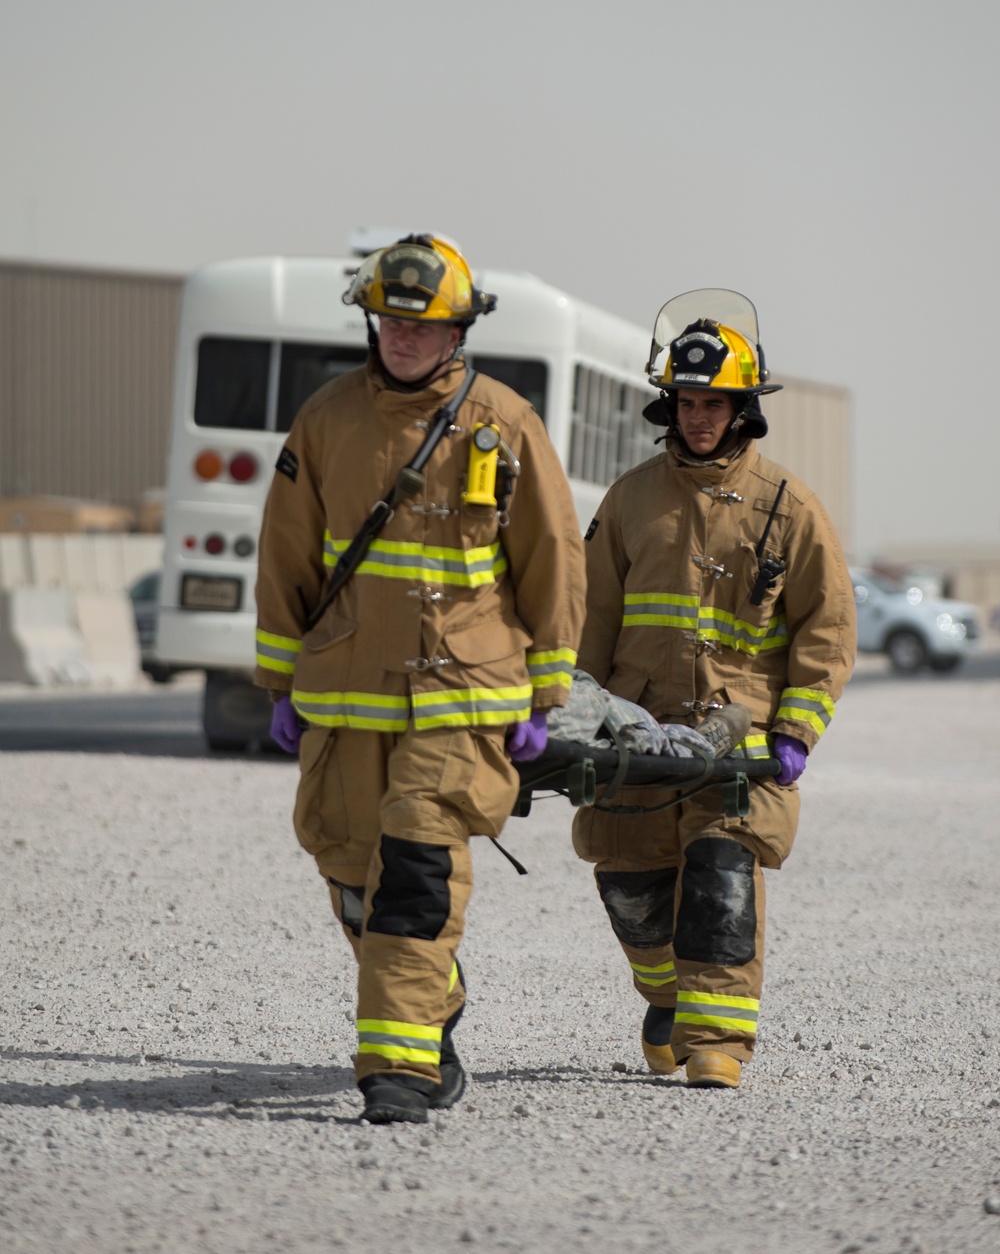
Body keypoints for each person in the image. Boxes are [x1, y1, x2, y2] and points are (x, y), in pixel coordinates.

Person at [254, 234, 586, 1124]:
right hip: (343, 695)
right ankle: (428, 1005)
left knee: (417, 867)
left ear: (458, 331)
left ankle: (397, 1071)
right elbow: (285, 555)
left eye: (423, 327)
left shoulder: (505, 422)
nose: (402, 341)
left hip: (462, 695)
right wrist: (279, 683)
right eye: (388, 324)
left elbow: (552, 559)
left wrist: (545, 692)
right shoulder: (324, 420)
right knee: (354, 879)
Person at [572, 289, 855, 1088]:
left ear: (743, 408)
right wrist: (568, 711)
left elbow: (828, 630)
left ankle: (716, 1045)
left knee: (722, 879)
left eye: (716, 404)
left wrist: (796, 730)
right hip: (638, 735)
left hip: (744, 741)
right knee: (630, 888)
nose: (699, 419)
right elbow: (589, 617)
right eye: (688, 402)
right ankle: (666, 998)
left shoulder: (790, 509)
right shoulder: (629, 499)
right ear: (671, 404)